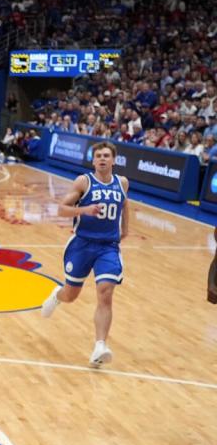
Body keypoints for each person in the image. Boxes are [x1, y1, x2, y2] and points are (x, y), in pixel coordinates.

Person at [41, 142, 129, 367]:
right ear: (93, 161)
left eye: (106, 155)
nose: (102, 159)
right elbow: (61, 209)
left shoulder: (122, 183)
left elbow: (124, 204)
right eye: (98, 155)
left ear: (113, 160)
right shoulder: (84, 182)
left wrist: (126, 228)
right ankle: (56, 296)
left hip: (108, 246)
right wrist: (84, 210)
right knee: (71, 295)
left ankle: (100, 346)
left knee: (105, 291)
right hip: (82, 244)